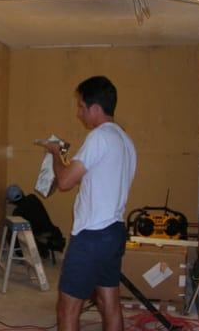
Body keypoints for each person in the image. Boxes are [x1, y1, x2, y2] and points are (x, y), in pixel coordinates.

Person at [43, 76, 136, 331]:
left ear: (95, 108)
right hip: (114, 231)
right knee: (110, 304)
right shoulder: (125, 141)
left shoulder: (99, 137)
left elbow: (64, 181)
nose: (79, 112)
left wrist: (55, 154)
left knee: (67, 308)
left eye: (81, 106)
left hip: (92, 236)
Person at [6, 184, 66, 261]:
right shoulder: (33, 198)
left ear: (11, 201)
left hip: (38, 235)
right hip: (52, 231)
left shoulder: (17, 212)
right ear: (22, 192)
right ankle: (43, 247)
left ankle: (38, 249)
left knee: (13, 234)